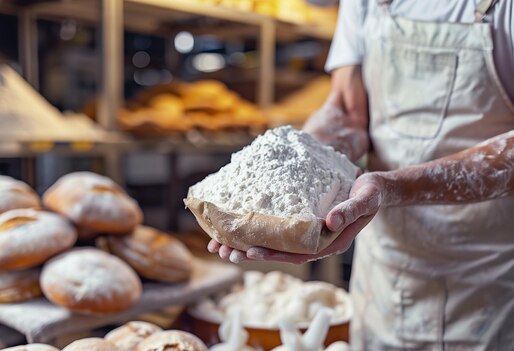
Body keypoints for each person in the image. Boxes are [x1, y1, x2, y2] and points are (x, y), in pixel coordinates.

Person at [208, 0, 514, 349]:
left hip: (488, 283)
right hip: (384, 276)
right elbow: (346, 108)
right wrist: (300, 167)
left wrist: (393, 187)